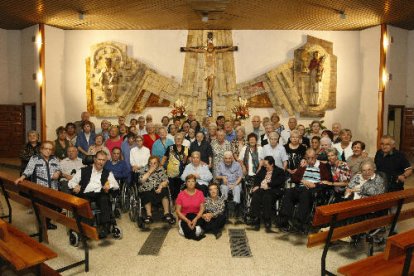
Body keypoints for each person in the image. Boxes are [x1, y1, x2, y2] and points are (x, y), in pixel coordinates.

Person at [278, 148, 332, 232]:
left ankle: (299, 222)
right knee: (288, 192)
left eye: (312, 158)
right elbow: (294, 177)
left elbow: (327, 181)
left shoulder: (322, 166)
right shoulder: (304, 166)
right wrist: (302, 180)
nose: (310, 160)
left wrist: (315, 184)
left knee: (305, 193)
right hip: (301, 187)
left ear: (316, 157)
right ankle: (284, 220)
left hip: (313, 190)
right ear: (305, 158)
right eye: (308, 158)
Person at [68, 150, 119, 238]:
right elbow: (71, 182)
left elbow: (116, 185)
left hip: (100, 193)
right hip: (85, 193)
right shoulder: (83, 170)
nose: (101, 162)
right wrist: (75, 186)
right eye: (99, 159)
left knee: (104, 199)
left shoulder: (108, 173)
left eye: (103, 160)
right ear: (94, 159)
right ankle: (86, 228)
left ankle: (105, 227)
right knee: (84, 202)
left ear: (106, 161)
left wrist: (109, 185)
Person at [15, 141, 62, 230]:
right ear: (41, 149)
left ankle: (47, 222)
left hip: (53, 188)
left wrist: (58, 172)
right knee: (41, 206)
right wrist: (22, 177)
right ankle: (42, 223)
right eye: (46, 149)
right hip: (40, 189)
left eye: (50, 149)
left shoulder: (55, 158)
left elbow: (59, 168)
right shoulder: (35, 158)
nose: (48, 151)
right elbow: (28, 170)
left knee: (52, 206)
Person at [249, 156, 285, 231]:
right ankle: (256, 219)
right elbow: (257, 178)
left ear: (272, 164)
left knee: (267, 197)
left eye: (266, 165)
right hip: (261, 188)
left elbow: (279, 182)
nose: (265, 167)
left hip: (273, 190)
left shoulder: (279, 171)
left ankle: (267, 220)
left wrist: (268, 185)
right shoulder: (263, 169)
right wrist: (256, 186)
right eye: (264, 165)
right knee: (256, 195)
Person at [137, 156, 174, 224]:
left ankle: (166, 213)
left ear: (158, 163)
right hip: (146, 188)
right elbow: (141, 180)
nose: (152, 165)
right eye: (150, 163)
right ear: (148, 163)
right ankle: (149, 215)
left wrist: (160, 186)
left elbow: (166, 181)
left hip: (158, 188)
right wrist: (150, 171)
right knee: (146, 193)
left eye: (155, 163)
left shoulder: (160, 169)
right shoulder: (143, 169)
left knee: (165, 190)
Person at [176, 174, 206, 241]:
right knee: (184, 232)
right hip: (185, 217)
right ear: (186, 183)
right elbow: (178, 211)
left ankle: (192, 232)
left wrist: (195, 219)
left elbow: (202, 209)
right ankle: (196, 232)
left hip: (196, 216)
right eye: (188, 181)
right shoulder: (181, 194)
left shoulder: (200, 193)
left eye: (193, 181)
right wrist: (187, 221)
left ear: (195, 183)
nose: (191, 183)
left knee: (187, 232)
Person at [215, 151, 243, 222]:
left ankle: (236, 212)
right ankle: (225, 211)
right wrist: (222, 177)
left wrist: (235, 184)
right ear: (223, 159)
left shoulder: (237, 165)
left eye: (229, 158)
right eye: (226, 158)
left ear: (232, 158)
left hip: (235, 183)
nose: (228, 160)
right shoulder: (220, 164)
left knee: (236, 189)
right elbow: (217, 176)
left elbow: (240, 176)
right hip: (225, 184)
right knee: (224, 189)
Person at [161, 133, 188, 201]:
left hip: (181, 173)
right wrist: (160, 166)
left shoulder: (186, 149)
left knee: (179, 189)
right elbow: (164, 158)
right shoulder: (170, 148)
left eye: (180, 138)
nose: (178, 140)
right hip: (171, 173)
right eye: (177, 138)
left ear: (183, 140)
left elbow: (185, 161)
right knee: (172, 189)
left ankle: (179, 203)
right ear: (174, 139)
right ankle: (173, 203)